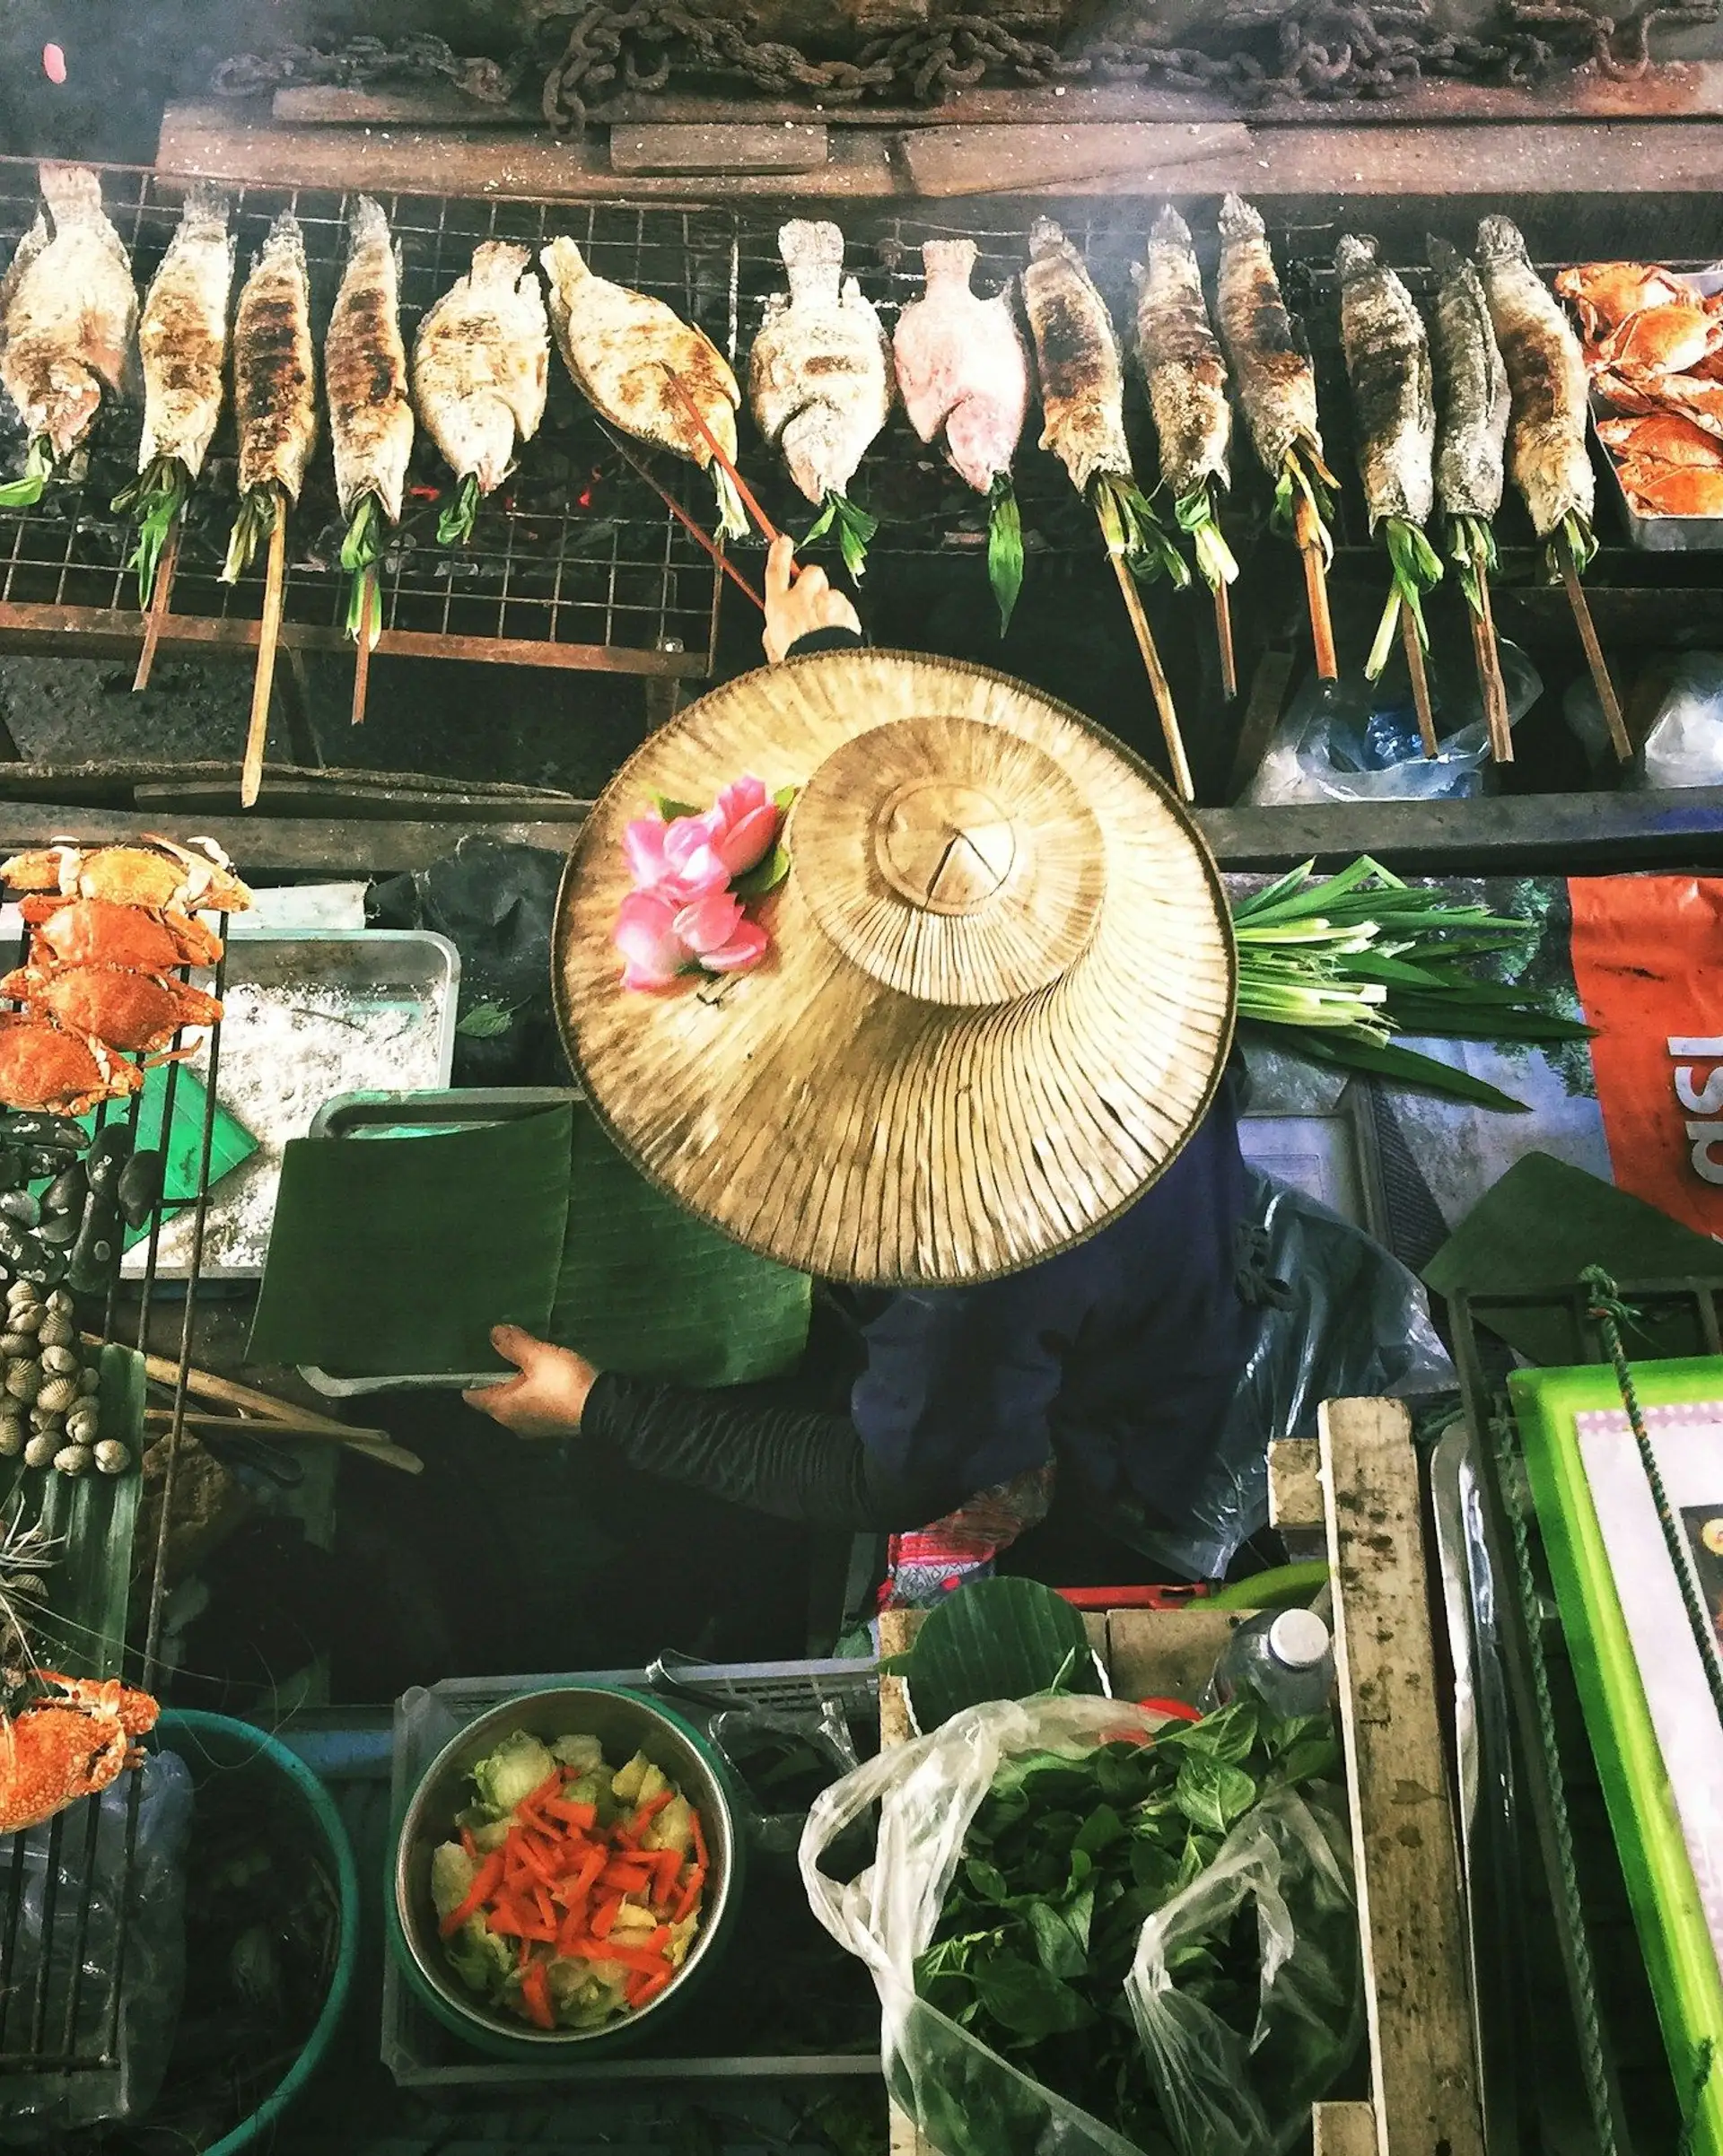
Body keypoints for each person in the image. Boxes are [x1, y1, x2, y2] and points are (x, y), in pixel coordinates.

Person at [465, 538, 1261, 1582]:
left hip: (1128, 1409)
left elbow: (882, 1478)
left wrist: (599, 1409)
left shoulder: (966, 1257)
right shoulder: (1056, 872)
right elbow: (934, 839)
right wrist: (830, 657)